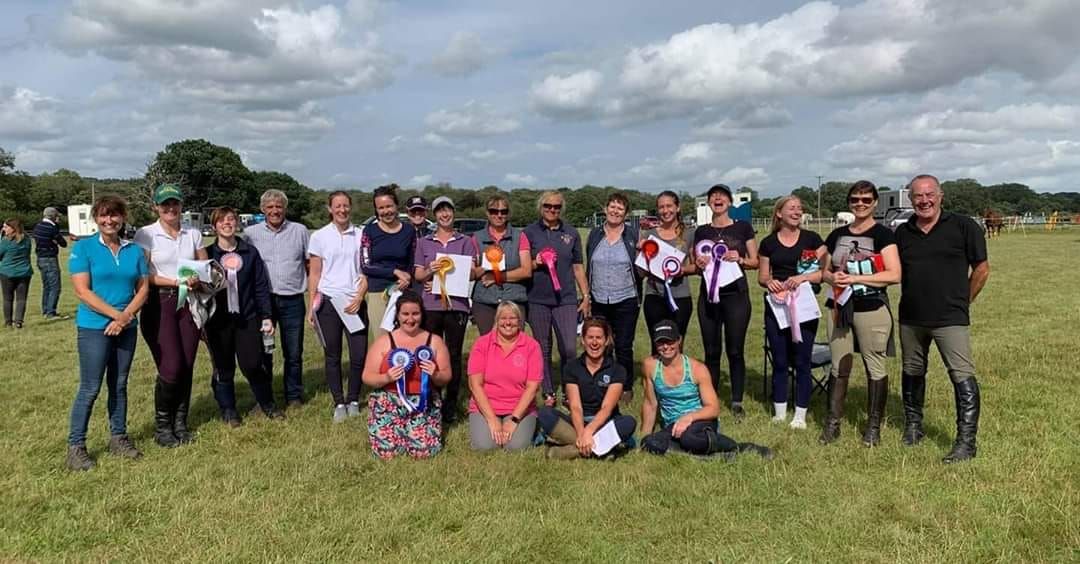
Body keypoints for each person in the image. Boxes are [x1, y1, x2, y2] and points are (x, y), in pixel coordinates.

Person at [895, 174, 989, 463]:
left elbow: (982, 269)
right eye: (917, 196)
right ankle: (914, 426)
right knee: (912, 371)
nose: (924, 201)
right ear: (910, 200)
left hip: (950, 318)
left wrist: (963, 303)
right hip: (911, 317)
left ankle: (966, 443)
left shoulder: (964, 226)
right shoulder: (902, 233)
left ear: (940, 195)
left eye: (929, 194)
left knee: (961, 376)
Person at [65, 196, 150, 470]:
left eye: (114, 215)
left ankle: (118, 438)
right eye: (103, 216)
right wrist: (118, 316)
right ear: (95, 219)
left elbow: (143, 289)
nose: (109, 221)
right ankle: (76, 447)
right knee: (90, 388)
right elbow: (82, 291)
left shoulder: (134, 251)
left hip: (126, 327)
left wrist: (125, 319)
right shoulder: (84, 248)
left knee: (120, 384)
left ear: (122, 217)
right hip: (94, 327)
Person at [820, 181, 901, 446]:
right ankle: (832, 424)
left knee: (874, 366)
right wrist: (833, 278)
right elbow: (825, 271)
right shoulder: (837, 235)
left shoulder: (884, 235)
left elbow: (894, 274)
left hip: (872, 308)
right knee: (838, 365)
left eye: (866, 200)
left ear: (875, 202)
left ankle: (873, 427)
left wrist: (856, 279)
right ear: (849, 203)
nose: (860, 204)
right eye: (855, 199)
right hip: (839, 309)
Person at [134, 184, 208, 448]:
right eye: (165, 204)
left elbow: (203, 265)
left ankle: (180, 423)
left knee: (187, 365)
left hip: (189, 304)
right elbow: (143, 274)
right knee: (171, 366)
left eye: (174, 203)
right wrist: (176, 282)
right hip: (160, 302)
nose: (170, 208)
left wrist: (200, 279)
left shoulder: (193, 234)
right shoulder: (146, 235)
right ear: (156, 207)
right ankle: (162, 426)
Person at [639, 320, 771, 458]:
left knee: (688, 438)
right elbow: (650, 403)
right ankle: (708, 457)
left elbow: (713, 408)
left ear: (679, 340)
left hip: (700, 421)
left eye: (670, 341)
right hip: (673, 426)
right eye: (660, 342)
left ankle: (738, 447)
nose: (665, 347)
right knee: (649, 442)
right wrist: (644, 436)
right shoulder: (650, 366)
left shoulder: (697, 369)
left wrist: (688, 418)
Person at [204, 207, 284, 426]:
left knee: (252, 364)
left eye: (231, 219)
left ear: (237, 223)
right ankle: (229, 410)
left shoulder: (250, 252)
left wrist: (266, 316)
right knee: (223, 366)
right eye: (221, 220)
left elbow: (260, 286)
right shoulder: (208, 255)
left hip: (247, 318)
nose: (227, 223)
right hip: (218, 321)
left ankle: (267, 403)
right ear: (214, 226)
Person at [758, 195, 826, 430]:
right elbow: (762, 277)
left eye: (800, 208)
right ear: (779, 213)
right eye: (792, 208)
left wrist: (803, 277)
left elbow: (824, 273)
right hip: (777, 308)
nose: (797, 211)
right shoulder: (768, 243)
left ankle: (800, 415)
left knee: (802, 360)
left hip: (804, 307)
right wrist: (770, 283)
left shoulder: (813, 239)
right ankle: (779, 412)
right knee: (779, 360)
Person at [691, 184, 758, 420]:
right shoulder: (700, 231)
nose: (717, 199)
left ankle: (737, 400)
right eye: (713, 196)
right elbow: (696, 264)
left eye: (722, 196)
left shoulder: (743, 227)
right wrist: (698, 264)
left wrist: (739, 258)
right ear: (708, 203)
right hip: (708, 296)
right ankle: (711, 398)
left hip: (736, 296)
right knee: (711, 350)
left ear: (730, 202)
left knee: (735, 349)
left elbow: (755, 261)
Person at [361, 291, 452, 459]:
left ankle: (415, 432)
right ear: (398, 315)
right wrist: (386, 378)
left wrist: (435, 374)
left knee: (424, 452)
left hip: (423, 402)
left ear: (422, 315)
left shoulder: (435, 341)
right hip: (388, 401)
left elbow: (446, 377)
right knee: (387, 454)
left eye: (415, 314)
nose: (410, 319)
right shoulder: (384, 341)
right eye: (405, 314)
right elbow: (367, 376)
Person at [413, 196, 478, 424]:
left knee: (453, 354)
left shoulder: (465, 241)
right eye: (439, 211)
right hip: (431, 305)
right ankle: (432, 398)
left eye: (448, 210)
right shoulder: (424, 242)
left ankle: (451, 403)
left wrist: (459, 274)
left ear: (453, 212)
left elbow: (472, 272)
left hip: (457, 305)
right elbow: (418, 275)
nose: (444, 214)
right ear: (434, 215)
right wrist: (430, 271)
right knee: (430, 353)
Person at [523, 191, 590, 407]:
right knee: (542, 347)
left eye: (557, 207)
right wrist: (537, 261)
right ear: (541, 207)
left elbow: (578, 266)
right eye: (548, 206)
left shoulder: (571, 233)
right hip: (537, 298)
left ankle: (570, 389)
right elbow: (525, 266)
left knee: (569, 348)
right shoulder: (529, 232)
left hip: (566, 298)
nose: (552, 210)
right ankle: (548, 391)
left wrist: (586, 295)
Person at [245, 189, 310, 409]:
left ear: (285, 208)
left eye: (279, 206)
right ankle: (264, 398)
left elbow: (309, 263)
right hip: (264, 302)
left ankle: (293, 396)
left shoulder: (300, 231)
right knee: (264, 353)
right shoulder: (251, 234)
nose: (275, 211)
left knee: (294, 352)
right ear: (262, 210)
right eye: (270, 207)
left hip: (293, 300)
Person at [308, 191, 369, 423]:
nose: (342, 210)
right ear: (330, 209)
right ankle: (338, 402)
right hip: (329, 302)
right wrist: (310, 306)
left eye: (345, 206)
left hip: (354, 302)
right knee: (332, 355)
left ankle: (353, 398)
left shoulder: (362, 235)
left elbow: (366, 271)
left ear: (350, 208)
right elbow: (314, 273)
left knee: (358, 354)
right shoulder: (320, 237)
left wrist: (360, 296)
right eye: (337, 206)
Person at [538, 318, 637, 459]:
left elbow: (607, 408)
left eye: (599, 338)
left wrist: (590, 430)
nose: (594, 342)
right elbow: (576, 406)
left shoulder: (618, 370)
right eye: (590, 337)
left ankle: (571, 451)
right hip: (577, 421)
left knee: (628, 422)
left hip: (604, 422)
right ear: (583, 340)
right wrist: (581, 433)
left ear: (607, 340)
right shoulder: (571, 367)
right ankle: (602, 449)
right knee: (545, 414)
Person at [585, 193, 640, 405]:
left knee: (624, 345)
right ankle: (603, 381)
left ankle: (625, 386)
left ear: (626, 213)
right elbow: (589, 262)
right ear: (606, 208)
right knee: (601, 343)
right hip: (599, 297)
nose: (615, 211)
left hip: (625, 297)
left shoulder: (633, 235)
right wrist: (587, 295)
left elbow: (641, 265)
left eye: (620, 208)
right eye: (612, 207)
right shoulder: (595, 234)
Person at [467, 301, 543, 451]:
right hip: (486, 406)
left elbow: (532, 388)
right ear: (497, 321)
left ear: (520, 321)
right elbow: (475, 385)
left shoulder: (532, 346)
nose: (508, 322)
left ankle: (532, 430)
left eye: (513, 318)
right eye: (503, 318)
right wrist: (491, 419)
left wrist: (514, 420)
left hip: (519, 407)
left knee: (515, 447)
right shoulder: (482, 344)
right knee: (485, 447)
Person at [641, 191, 695, 351]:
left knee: (677, 344)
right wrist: (641, 254)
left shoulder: (689, 234)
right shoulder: (649, 235)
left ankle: (677, 376)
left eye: (669, 206)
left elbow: (696, 267)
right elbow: (641, 273)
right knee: (657, 345)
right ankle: (656, 376)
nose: (665, 211)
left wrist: (682, 270)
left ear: (678, 207)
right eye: (661, 207)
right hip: (654, 296)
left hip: (680, 298)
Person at [471, 195, 532, 335]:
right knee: (488, 343)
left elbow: (526, 270)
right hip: (484, 300)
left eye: (503, 211)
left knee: (514, 343)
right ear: (487, 213)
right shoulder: (476, 238)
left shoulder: (520, 237)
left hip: (514, 299)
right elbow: (472, 272)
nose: (499, 215)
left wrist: (497, 277)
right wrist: (483, 268)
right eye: (494, 211)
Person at [360, 184, 415, 337]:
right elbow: (365, 266)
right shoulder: (369, 231)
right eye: (381, 208)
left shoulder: (409, 231)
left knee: (405, 338)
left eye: (389, 206)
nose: (386, 211)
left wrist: (408, 276)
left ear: (396, 206)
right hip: (377, 292)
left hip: (402, 291)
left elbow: (412, 262)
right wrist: (395, 271)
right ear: (376, 210)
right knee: (382, 340)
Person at [32, 206, 69, 320]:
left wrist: (54, 241)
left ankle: (45, 310)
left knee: (47, 286)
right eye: (57, 216)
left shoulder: (38, 226)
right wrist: (55, 241)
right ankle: (51, 312)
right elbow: (63, 243)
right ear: (53, 216)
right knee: (55, 286)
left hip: (40, 258)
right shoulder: (52, 228)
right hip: (50, 258)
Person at [0, 218, 33, 329]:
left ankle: (8, 321)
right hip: (24, 272)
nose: (3, 229)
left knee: (7, 298)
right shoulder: (27, 240)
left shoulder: (6, 241)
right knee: (21, 298)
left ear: (13, 228)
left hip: (7, 272)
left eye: (6, 227)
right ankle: (18, 321)